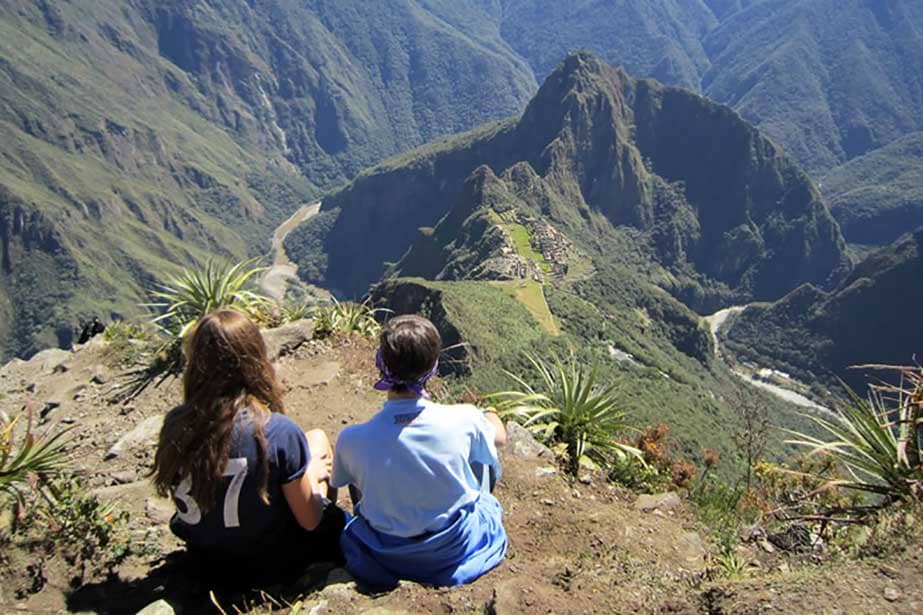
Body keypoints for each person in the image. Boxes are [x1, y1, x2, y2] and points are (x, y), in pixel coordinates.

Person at [151, 309, 345, 584]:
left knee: (314, 438)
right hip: (272, 565)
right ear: (255, 359)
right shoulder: (275, 431)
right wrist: (312, 474)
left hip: (204, 565)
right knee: (317, 448)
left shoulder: (175, 426)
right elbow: (310, 520)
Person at [331, 314, 508, 588]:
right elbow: (500, 438)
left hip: (386, 553)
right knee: (487, 460)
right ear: (433, 367)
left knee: (361, 472)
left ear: (381, 364)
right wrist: (490, 412)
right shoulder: (464, 419)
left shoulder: (351, 439)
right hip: (453, 547)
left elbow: (344, 483)